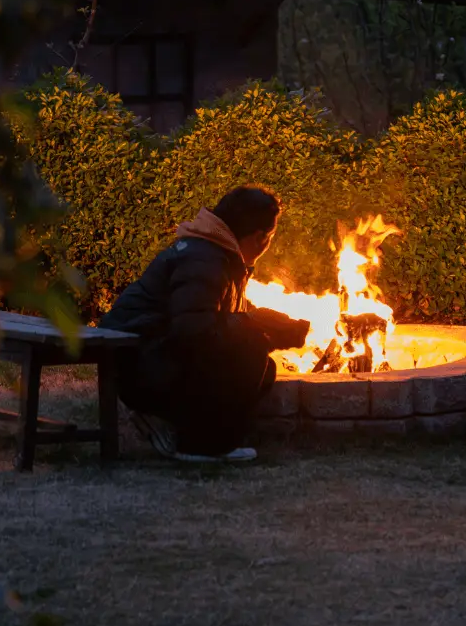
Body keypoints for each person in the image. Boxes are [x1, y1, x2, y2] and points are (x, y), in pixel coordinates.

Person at [100, 186, 310, 464]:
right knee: (250, 351)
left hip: (147, 359)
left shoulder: (212, 251)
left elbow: (217, 313)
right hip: (139, 365)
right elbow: (193, 331)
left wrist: (277, 326)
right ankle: (199, 446)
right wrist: (255, 326)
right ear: (261, 237)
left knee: (264, 365)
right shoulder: (204, 258)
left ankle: (175, 428)